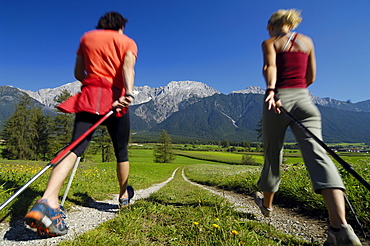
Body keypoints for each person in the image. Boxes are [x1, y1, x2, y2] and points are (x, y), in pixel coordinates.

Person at [24, 11, 137, 237]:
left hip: (88, 97)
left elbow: (78, 72)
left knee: (75, 147)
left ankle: (48, 199)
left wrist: (93, 83)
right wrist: (129, 93)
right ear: (121, 26)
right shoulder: (127, 41)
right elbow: (127, 68)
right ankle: (124, 196)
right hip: (115, 99)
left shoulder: (87, 38)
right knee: (121, 151)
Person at [254, 9, 362, 246]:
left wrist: (273, 90)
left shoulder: (270, 42)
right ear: (290, 24)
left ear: (272, 26)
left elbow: (269, 68)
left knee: (273, 153)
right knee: (318, 156)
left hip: (278, 101)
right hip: (305, 100)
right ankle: (340, 228)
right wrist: (297, 92)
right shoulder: (307, 41)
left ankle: (267, 205)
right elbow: (311, 76)